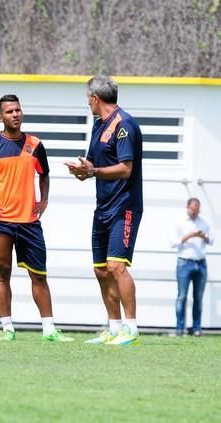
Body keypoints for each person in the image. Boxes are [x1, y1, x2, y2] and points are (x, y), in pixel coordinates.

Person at [0, 94, 73, 342]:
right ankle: (8, 329)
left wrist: (43, 200)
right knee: (2, 273)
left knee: (39, 275)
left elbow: (44, 174)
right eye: (9, 111)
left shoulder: (35, 144)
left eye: (18, 110)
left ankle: (49, 330)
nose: (15, 115)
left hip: (30, 223)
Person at [65, 75, 143, 346]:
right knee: (101, 270)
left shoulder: (125, 125)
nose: (87, 104)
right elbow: (93, 164)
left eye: (88, 99)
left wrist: (94, 171)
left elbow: (125, 169)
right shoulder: (99, 125)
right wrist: (83, 170)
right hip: (103, 207)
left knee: (116, 266)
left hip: (125, 207)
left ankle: (131, 330)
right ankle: (114, 327)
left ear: (95, 98)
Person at [171, 198, 214, 336]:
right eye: (193, 210)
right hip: (184, 262)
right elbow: (172, 242)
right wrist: (188, 236)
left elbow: (212, 240)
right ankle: (179, 329)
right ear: (188, 207)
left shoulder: (204, 221)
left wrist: (203, 236)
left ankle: (196, 328)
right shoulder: (179, 221)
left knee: (198, 297)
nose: (195, 213)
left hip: (200, 262)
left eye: (197, 211)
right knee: (182, 297)